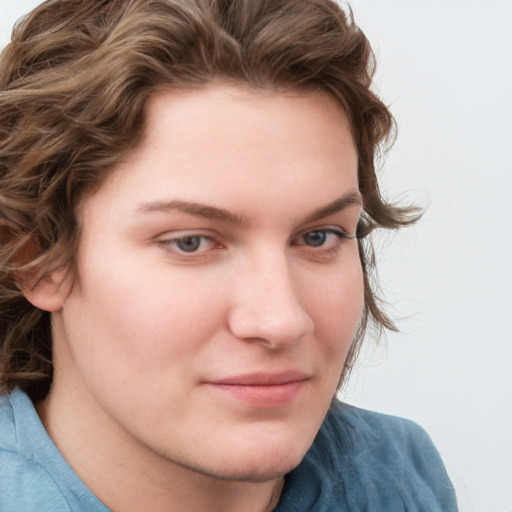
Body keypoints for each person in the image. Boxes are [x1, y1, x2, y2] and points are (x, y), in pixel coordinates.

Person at [0, 0, 458, 510]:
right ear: (35, 260)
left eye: (319, 236)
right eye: (190, 242)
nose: (281, 320)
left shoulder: (398, 477)